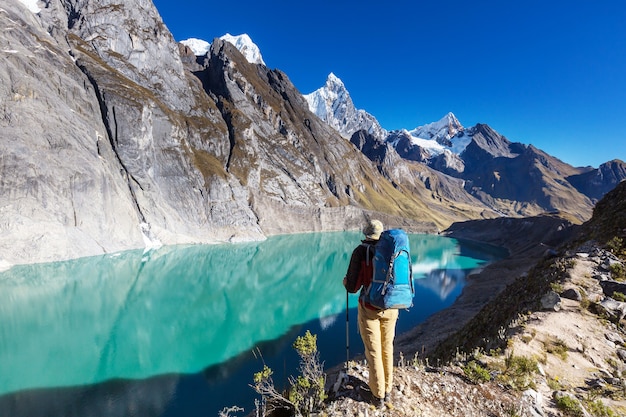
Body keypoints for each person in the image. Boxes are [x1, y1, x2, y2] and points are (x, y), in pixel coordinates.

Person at [343, 219, 398, 407]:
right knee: (387, 347)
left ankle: (377, 396)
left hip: (370, 308)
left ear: (366, 233)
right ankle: (388, 390)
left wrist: (346, 282)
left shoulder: (361, 252)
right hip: (391, 307)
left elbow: (352, 286)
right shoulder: (392, 250)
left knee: (373, 351)